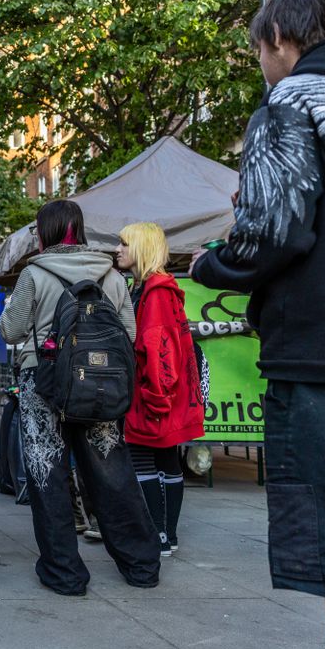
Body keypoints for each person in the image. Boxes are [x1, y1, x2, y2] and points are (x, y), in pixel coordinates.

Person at [190, 0, 325, 649]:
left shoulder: (292, 100)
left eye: (258, 52)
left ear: (279, 39)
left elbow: (275, 233)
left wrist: (215, 263)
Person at [0, 199, 159, 596]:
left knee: (48, 473)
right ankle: (141, 566)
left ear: (46, 230)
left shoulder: (34, 273)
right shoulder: (111, 273)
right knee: (111, 471)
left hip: (44, 383)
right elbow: (131, 335)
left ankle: (64, 572)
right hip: (100, 385)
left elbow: (12, 332)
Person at [116, 222, 203, 557]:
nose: (118, 250)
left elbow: (159, 350)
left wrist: (155, 397)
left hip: (153, 394)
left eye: (124, 244)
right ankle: (167, 535)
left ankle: (159, 535)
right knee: (166, 459)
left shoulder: (155, 292)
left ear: (141, 248)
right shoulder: (154, 288)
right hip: (161, 393)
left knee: (144, 459)